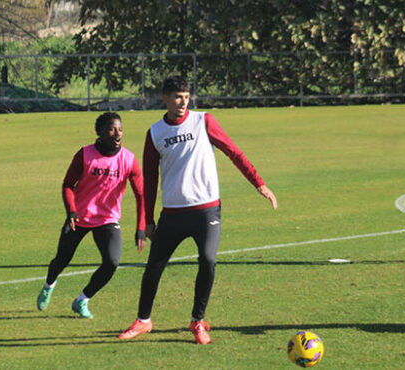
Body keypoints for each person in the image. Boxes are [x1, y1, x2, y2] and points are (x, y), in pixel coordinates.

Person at [118, 76, 278, 345]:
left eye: (186, 96)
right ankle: (143, 320)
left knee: (207, 260)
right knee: (154, 266)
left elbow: (233, 151)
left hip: (206, 211)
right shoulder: (155, 133)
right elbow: (149, 179)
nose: (183, 102)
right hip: (172, 213)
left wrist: (258, 183)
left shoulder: (204, 121)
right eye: (177, 97)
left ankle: (197, 321)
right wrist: (147, 220)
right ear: (164, 98)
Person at [36, 112, 147, 319]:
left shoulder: (129, 160)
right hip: (79, 218)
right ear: (100, 132)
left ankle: (82, 300)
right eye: (112, 129)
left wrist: (141, 228)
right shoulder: (85, 155)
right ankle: (49, 284)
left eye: (120, 129)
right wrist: (71, 210)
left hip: (107, 220)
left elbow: (141, 195)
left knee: (112, 262)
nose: (117, 133)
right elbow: (68, 184)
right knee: (62, 259)